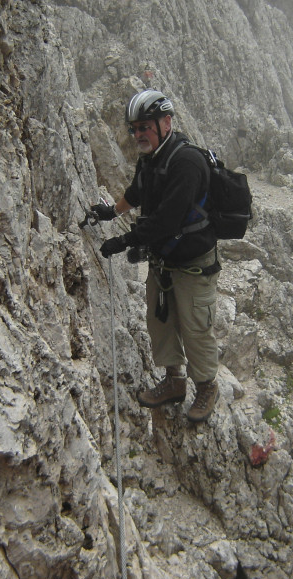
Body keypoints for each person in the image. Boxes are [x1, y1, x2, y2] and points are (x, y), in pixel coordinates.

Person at [91, 89, 220, 423]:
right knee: (160, 320)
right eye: (134, 129)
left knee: (194, 327)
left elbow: (167, 220)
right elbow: (137, 193)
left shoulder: (187, 163)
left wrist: (123, 241)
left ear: (166, 122)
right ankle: (174, 381)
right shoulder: (151, 159)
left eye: (144, 127)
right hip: (165, 259)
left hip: (193, 264)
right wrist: (110, 212)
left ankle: (206, 387)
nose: (137, 135)